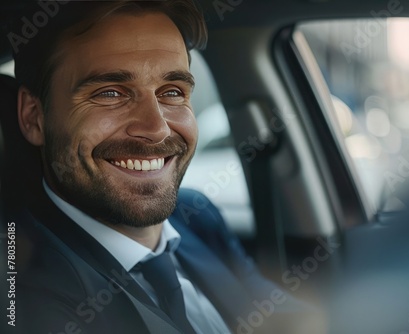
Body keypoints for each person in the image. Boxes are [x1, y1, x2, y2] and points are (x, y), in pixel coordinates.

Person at [6, 1, 322, 333]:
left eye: (172, 92)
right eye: (110, 93)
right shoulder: (24, 290)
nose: (157, 128)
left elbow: (287, 319)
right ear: (33, 117)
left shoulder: (197, 216)